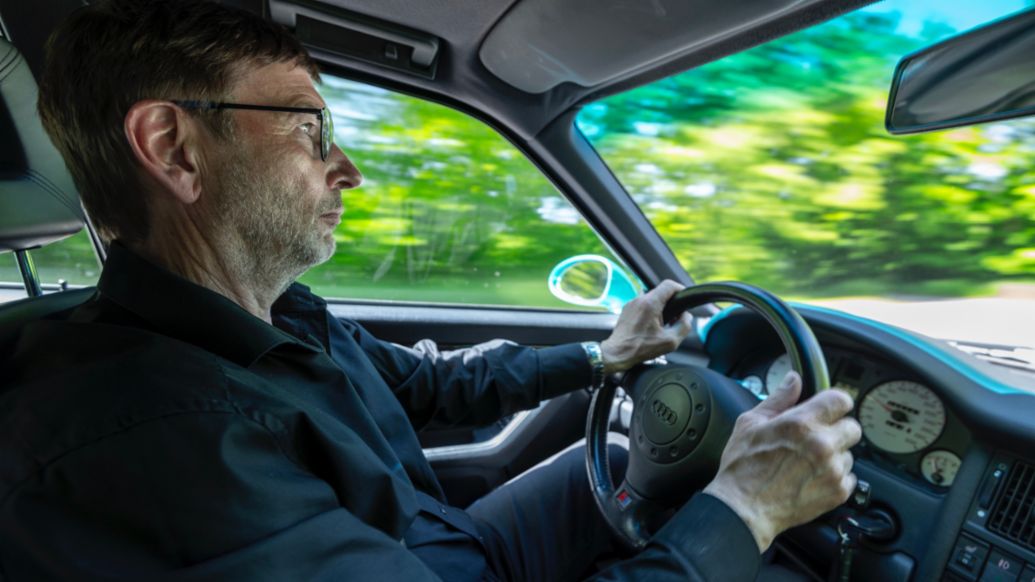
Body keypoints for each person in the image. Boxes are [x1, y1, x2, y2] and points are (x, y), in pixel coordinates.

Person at [0, 0, 861, 580]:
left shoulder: (272, 311)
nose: (349, 170)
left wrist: (607, 355)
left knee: (617, 472)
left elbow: (431, 385)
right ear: (174, 147)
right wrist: (744, 509)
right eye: (310, 130)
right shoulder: (160, 446)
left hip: (441, 545)